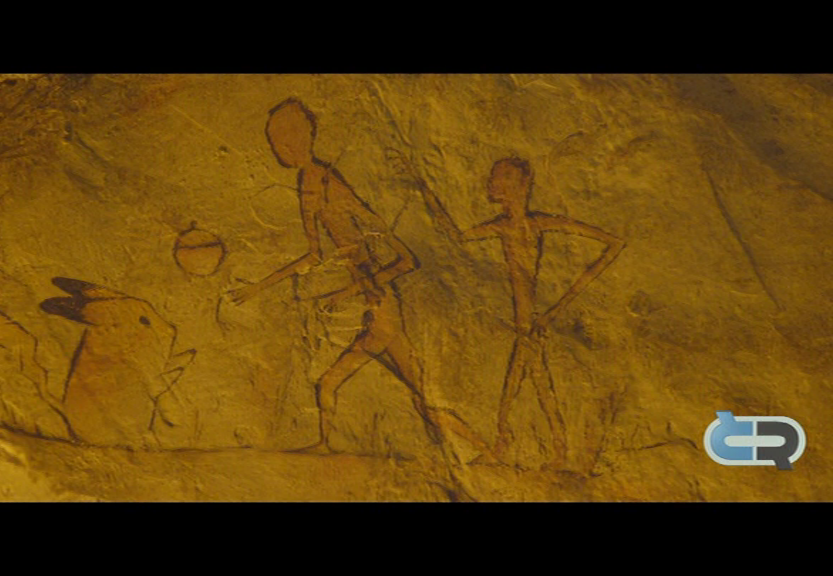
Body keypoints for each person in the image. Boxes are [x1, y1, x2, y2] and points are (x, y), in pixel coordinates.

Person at [229, 98, 495, 461]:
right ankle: (484, 448)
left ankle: (326, 442)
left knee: (331, 381)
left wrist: (346, 292)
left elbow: (406, 259)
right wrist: (258, 287)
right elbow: (313, 254)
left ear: (301, 137)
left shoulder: (329, 183)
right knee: (423, 401)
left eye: (283, 138)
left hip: (382, 309)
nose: (281, 148)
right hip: (378, 308)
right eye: (276, 140)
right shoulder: (308, 182)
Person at [388, 150, 625, 468]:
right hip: (522, 324)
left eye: (504, 177)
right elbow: (456, 235)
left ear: (523, 184)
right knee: (534, 385)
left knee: (527, 387)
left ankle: (518, 445)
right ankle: (542, 448)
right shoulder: (501, 226)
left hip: (531, 325)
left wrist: (559, 306)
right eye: (496, 176)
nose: (494, 182)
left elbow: (614, 243)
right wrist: (420, 183)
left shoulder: (539, 223)